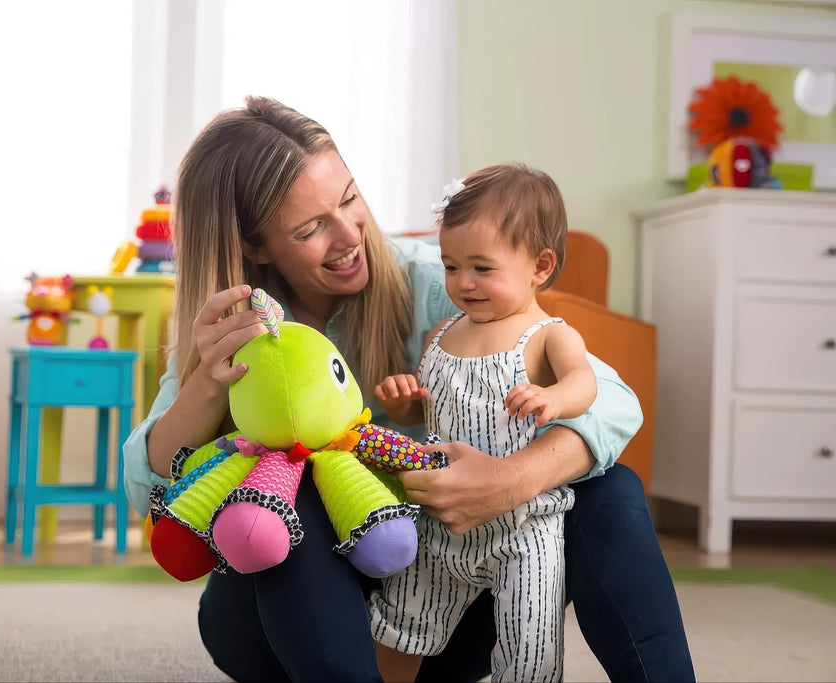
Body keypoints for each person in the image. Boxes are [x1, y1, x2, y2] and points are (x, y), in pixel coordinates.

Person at [122, 95, 695, 683]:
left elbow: (613, 399)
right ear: (254, 247)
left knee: (608, 489)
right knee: (298, 478)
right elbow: (146, 491)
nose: (350, 235)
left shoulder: (451, 283)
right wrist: (204, 387)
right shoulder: (231, 328)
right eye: (313, 227)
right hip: (276, 625)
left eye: (350, 200)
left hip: (444, 611)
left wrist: (511, 479)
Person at [369, 163, 598, 682]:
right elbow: (425, 415)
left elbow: (585, 383)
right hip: (439, 520)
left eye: (482, 268)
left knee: (529, 646)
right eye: (451, 266)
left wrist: (553, 398)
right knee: (399, 627)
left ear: (540, 266)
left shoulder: (547, 335)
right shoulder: (442, 333)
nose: (463, 283)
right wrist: (404, 401)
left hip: (524, 528)